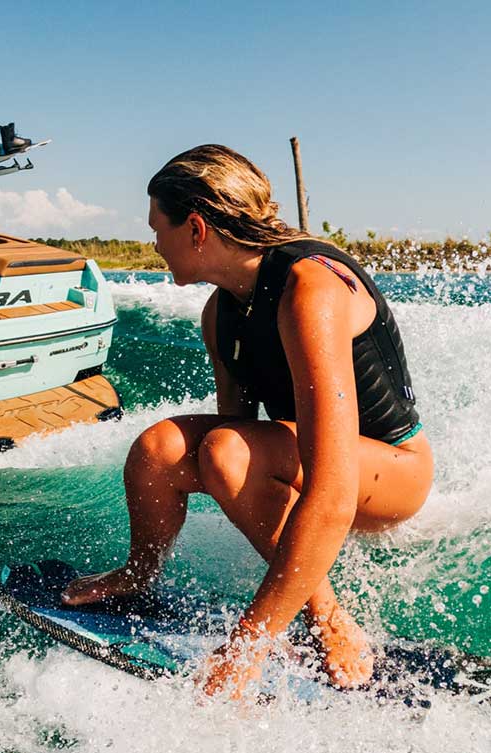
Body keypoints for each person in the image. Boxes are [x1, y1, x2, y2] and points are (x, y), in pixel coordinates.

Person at [61, 145, 434, 699]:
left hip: (392, 473)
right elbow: (231, 437)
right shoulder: (222, 312)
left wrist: (247, 645)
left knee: (224, 451)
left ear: (195, 228)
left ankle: (328, 619)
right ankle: (140, 574)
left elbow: (330, 491)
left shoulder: (310, 291)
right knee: (160, 447)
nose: (153, 245)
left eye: (156, 229)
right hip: (304, 459)